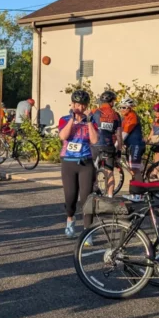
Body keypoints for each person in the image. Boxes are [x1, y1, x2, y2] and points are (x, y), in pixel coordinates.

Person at [59, 90, 99, 237]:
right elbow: (63, 136)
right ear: (72, 104)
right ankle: (70, 219)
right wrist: (72, 119)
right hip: (68, 162)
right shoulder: (64, 119)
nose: (80, 108)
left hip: (85, 162)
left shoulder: (91, 121)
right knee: (70, 196)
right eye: (77, 105)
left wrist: (88, 121)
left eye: (83, 105)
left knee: (86, 198)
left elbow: (94, 140)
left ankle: (88, 231)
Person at [90, 90, 122, 197]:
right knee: (109, 172)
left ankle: (93, 193)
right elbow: (119, 135)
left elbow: (86, 126)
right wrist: (119, 151)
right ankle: (110, 196)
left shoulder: (94, 112)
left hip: (95, 145)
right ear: (111, 102)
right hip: (109, 146)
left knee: (92, 170)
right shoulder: (116, 115)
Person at [119, 97, 146, 182]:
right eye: (120, 107)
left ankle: (139, 192)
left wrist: (116, 145)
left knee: (134, 168)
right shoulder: (125, 118)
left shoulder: (132, 116)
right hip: (130, 145)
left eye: (123, 107)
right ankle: (143, 183)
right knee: (133, 168)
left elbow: (125, 133)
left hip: (136, 145)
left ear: (129, 108)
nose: (121, 109)